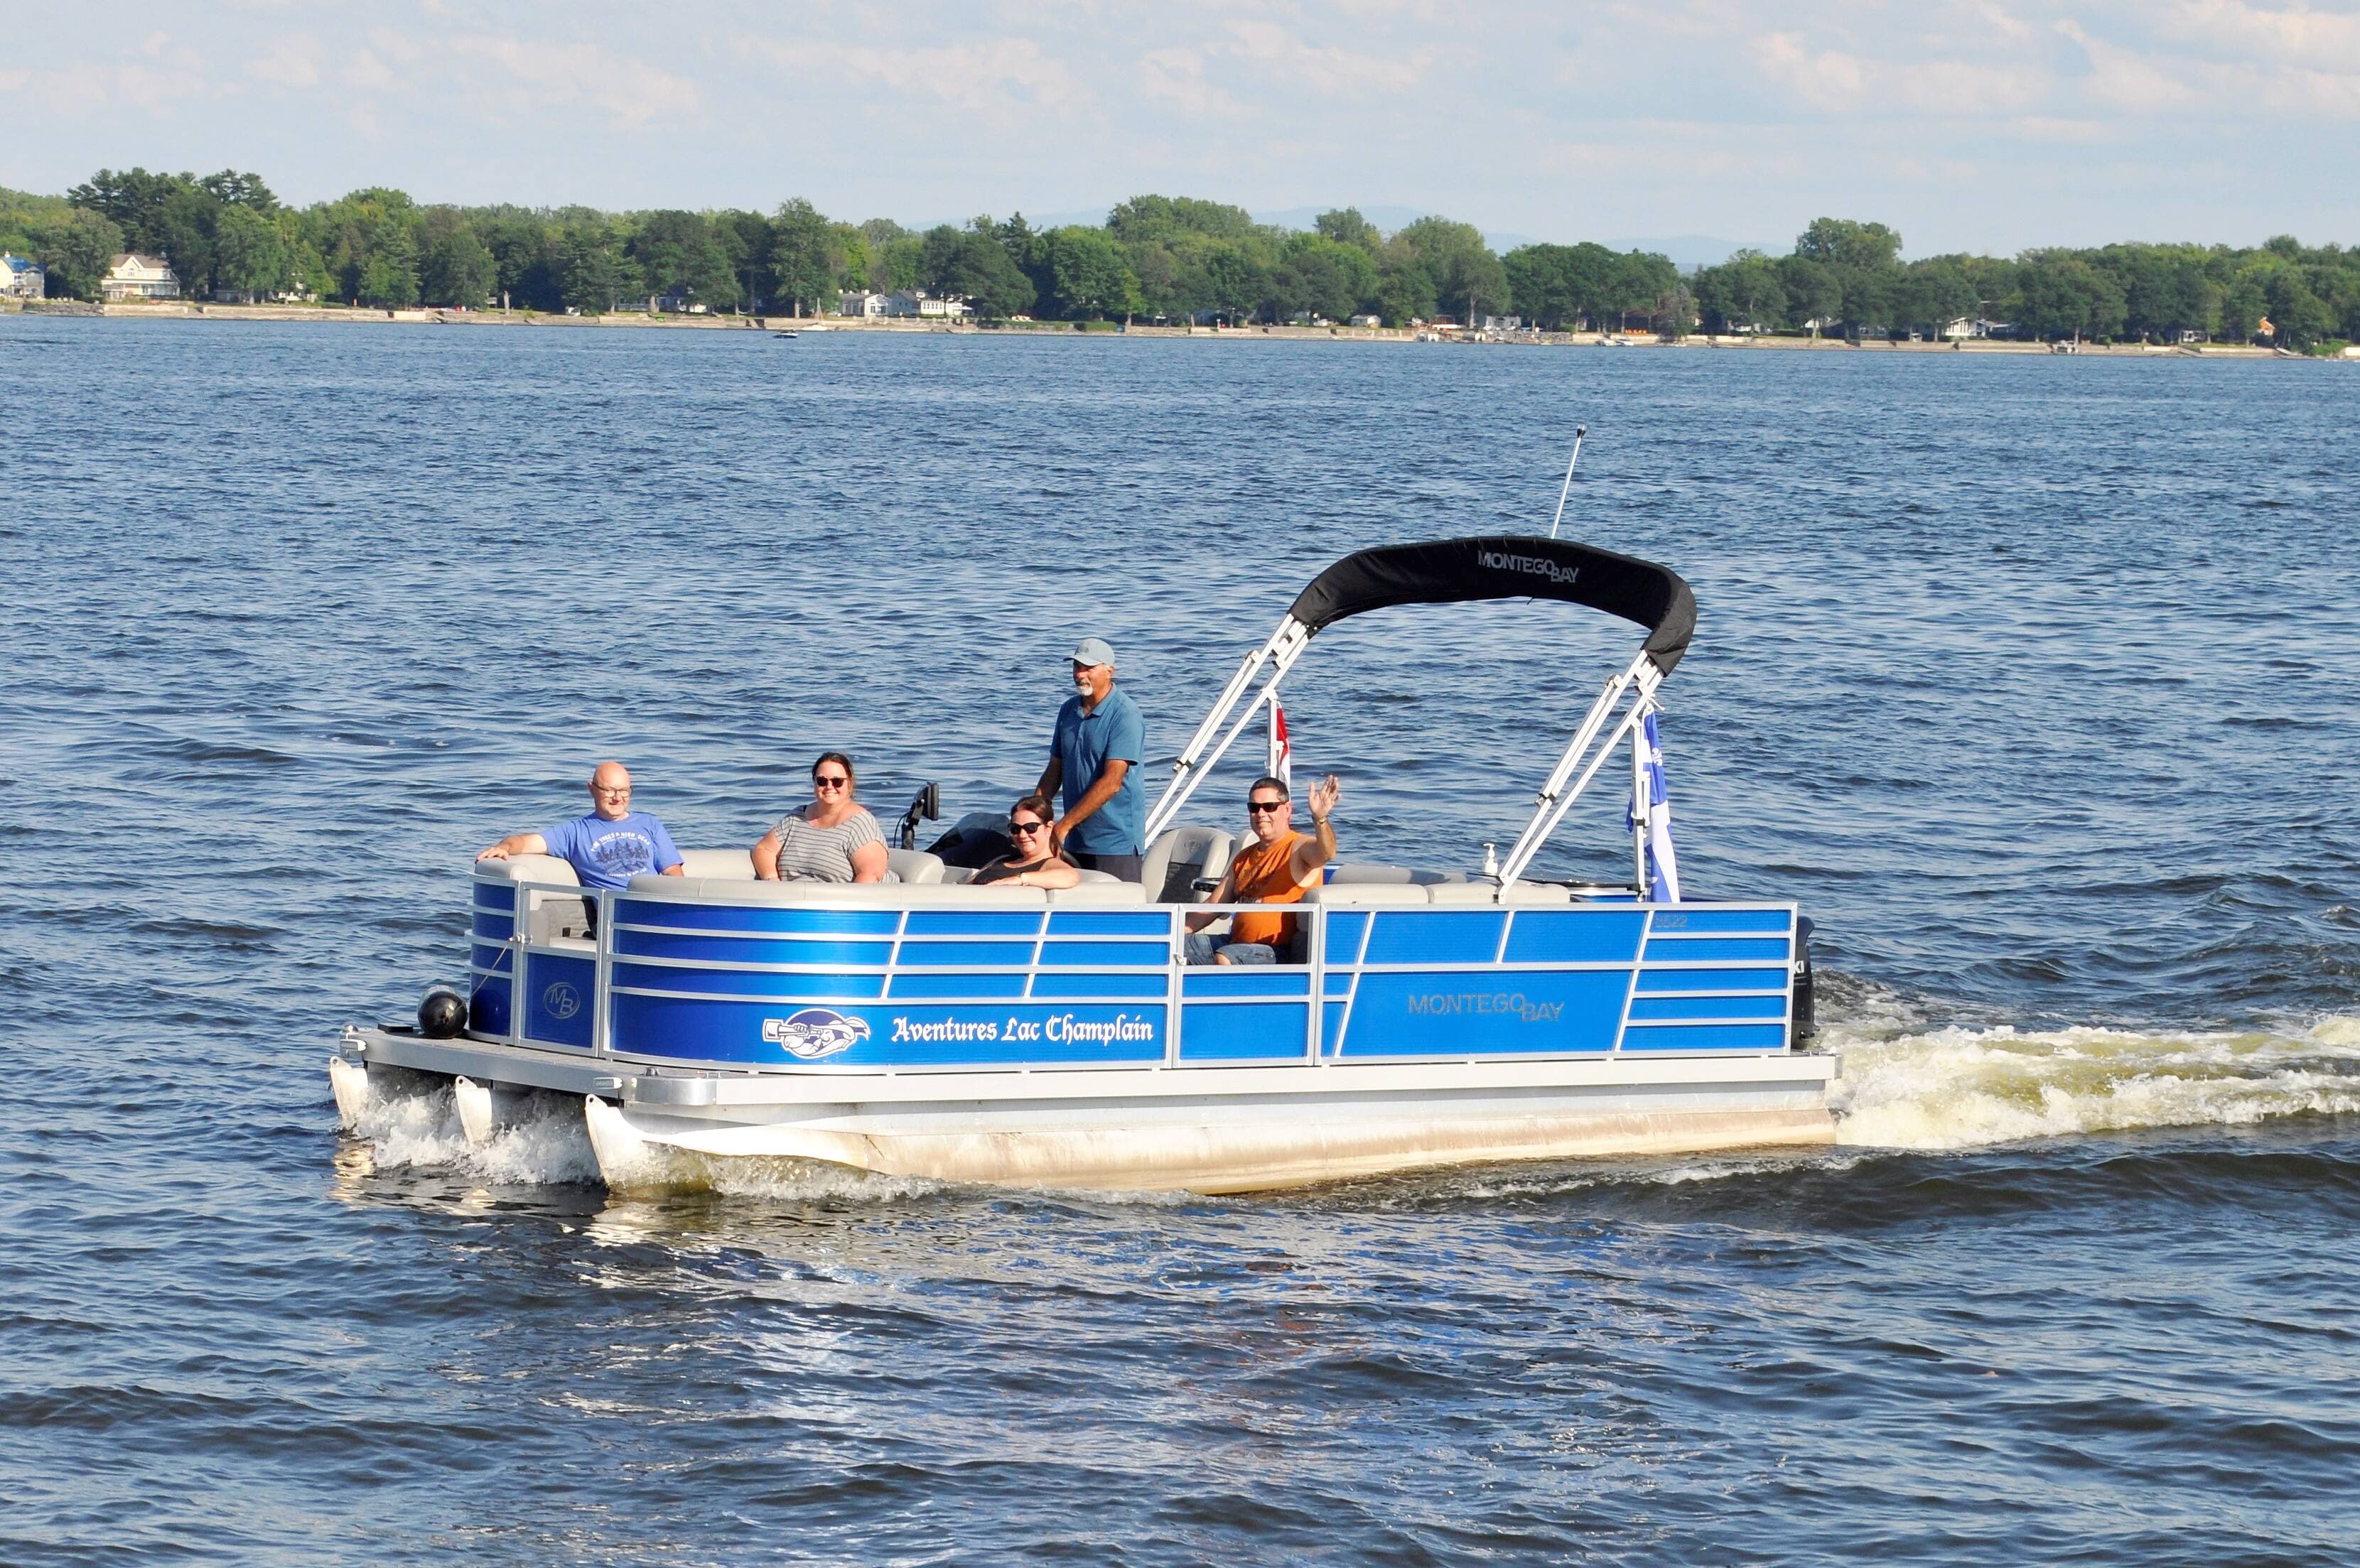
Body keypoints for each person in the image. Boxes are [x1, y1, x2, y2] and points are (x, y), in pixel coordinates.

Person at [1185, 774, 1341, 965]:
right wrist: (1175, 932)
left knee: (1226, 957)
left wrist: (1320, 819)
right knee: (1173, 947)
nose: (1261, 814)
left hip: (1277, 951)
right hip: (1236, 943)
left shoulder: (1298, 848)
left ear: (1287, 810)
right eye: (1254, 808)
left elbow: (1326, 853)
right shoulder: (1244, 856)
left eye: (1269, 807)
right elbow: (1213, 906)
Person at [476, 761, 684, 891]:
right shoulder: (575, 832)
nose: (617, 798)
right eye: (610, 790)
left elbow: (672, 872)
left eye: (624, 791)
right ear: (591, 789)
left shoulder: (649, 824)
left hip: (657, 906)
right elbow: (525, 842)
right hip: (619, 919)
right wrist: (504, 847)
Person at [1038, 635, 1146, 882]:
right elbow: (1055, 770)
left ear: (1109, 670)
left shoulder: (1125, 715)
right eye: (1076, 666)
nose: (1079, 674)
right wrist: (1034, 817)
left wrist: (1063, 826)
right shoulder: (1068, 710)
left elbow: (1112, 783)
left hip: (1114, 843)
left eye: (1088, 667)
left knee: (1116, 916)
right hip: (1072, 839)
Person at [752, 751, 890, 883]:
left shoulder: (860, 824)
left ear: (850, 784)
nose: (829, 787)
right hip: (793, 900)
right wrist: (772, 881)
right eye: (822, 781)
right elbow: (764, 850)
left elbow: (871, 875)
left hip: (836, 902)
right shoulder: (797, 818)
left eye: (837, 782)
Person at [969, 794, 1082, 890]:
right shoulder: (1001, 860)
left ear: (1049, 828)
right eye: (1015, 829)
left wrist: (1020, 879)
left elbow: (1071, 876)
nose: (1022, 835)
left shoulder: (1049, 865)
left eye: (1031, 828)